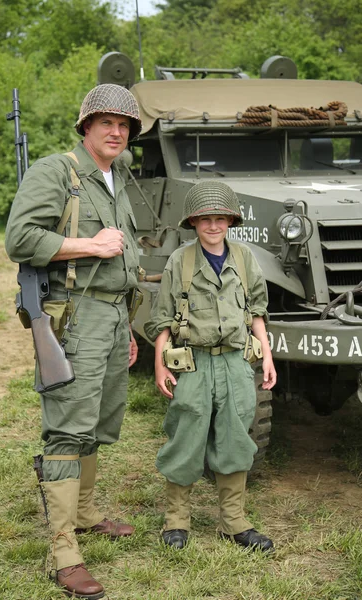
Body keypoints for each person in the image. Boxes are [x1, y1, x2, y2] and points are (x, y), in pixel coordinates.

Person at [5, 84, 142, 600]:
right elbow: (19, 239)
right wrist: (89, 244)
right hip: (75, 319)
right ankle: (63, 551)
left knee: (100, 421)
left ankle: (84, 514)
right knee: (67, 428)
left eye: (124, 125)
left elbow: (122, 265)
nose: (116, 131)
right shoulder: (55, 171)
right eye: (105, 122)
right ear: (86, 126)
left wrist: (126, 325)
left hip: (110, 317)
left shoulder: (115, 179)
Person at [144, 180, 276, 553]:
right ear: (193, 223)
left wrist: (266, 354)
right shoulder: (180, 261)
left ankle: (233, 521)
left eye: (220, 218)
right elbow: (163, 318)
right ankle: (177, 519)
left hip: (235, 362)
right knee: (186, 436)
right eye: (205, 219)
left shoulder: (245, 258)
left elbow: (257, 311)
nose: (213, 226)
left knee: (236, 437)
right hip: (193, 364)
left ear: (231, 221)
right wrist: (159, 363)